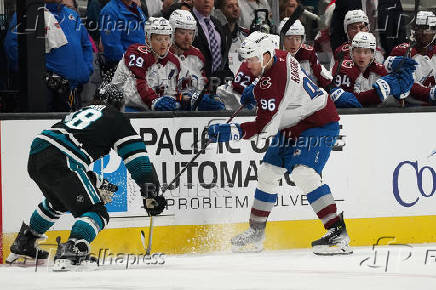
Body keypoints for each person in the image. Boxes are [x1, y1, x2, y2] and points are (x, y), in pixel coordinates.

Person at [208, 31, 415, 255]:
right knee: (268, 172)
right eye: (246, 59)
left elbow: (263, 128)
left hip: (319, 123)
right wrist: (256, 91)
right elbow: (271, 90)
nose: (248, 65)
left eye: (253, 59)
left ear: (267, 55)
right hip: (295, 121)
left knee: (304, 173)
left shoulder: (273, 83)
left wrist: (232, 131)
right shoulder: (280, 55)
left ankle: (338, 233)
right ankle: (257, 232)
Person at [6, 84, 167, 270]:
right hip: (63, 158)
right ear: (119, 103)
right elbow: (138, 161)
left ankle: (25, 243)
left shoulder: (81, 112)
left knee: (57, 202)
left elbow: (72, 164)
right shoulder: (115, 117)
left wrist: (93, 181)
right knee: (97, 212)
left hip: (37, 153)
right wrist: (151, 192)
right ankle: (73, 248)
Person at [3, 0, 94, 112]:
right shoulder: (29, 13)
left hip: (73, 90)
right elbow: (11, 46)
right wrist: (35, 75)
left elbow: (86, 45)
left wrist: (86, 69)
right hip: (46, 94)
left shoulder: (72, 14)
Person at [110, 17, 183, 111]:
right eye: (159, 39)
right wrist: (154, 101)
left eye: (166, 38)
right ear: (148, 40)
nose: (164, 44)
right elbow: (135, 86)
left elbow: (173, 92)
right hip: (125, 106)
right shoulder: (136, 53)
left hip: (150, 108)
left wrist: (178, 100)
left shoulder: (174, 62)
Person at [168, 9, 225, 111]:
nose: (187, 38)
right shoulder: (161, 55)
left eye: (190, 33)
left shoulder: (197, 55)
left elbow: (202, 87)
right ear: (172, 32)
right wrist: (182, 99)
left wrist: (206, 97)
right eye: (182, 32)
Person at [387, 11, 436, 106]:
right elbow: (406, 85)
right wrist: (431, 93)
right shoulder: (402, 52)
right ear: (413, 30)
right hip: (410, 110)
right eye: (420, 28)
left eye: (428, 29)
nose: (424, 33)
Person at [99, 0, 147, 81]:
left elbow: (145, 34)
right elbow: (112, 48)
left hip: (140, 66)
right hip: (123, 71)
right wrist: (133, 66)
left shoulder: (135, 7)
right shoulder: (110, 11)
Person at [279, 18, 332, 90]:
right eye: (289, 38)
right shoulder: (273, 54)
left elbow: (320, 73)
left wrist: (331, 88)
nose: (294, 43)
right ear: (281, 39)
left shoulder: (307, 52)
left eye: (297, 39)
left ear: (302, 39)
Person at [192, 0, 234, 89]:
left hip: (218, 83)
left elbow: (223, 56)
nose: (207, 1)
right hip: (196, 83)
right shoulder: (187, 22)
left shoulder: (217, 23)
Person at [215, 0, 250, 75]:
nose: (235, 9)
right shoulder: (214, 36)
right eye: (230, 6)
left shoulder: (247, 34)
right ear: (220, 12)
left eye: (237, 5)